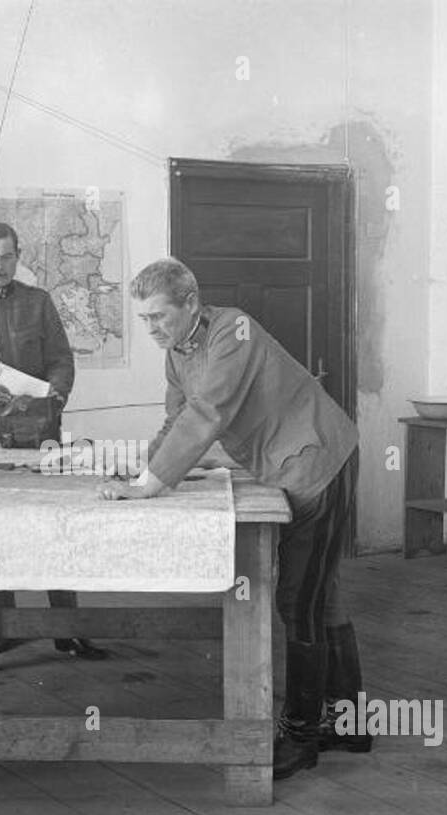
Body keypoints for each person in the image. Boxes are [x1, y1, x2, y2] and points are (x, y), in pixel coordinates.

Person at [98, 257, 371, 779]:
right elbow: (176, 418)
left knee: (299, 601)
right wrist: (141, 472)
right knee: (322, 596)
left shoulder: (234, 329)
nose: (151, 329)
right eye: (143, 320)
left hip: (319, 461)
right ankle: (351, 724)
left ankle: (301, 739)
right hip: (289, 464)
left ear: (192, 304)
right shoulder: (178, 353)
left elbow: (208, 414)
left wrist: (148, 486)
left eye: (159, 316)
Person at [0, 221, 107, 660]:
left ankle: (67, 628)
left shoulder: (40, 303)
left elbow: (61, 360)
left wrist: (56, 392)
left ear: (18, 256)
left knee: (58, 525)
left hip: (39, 436)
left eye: (7, 256)